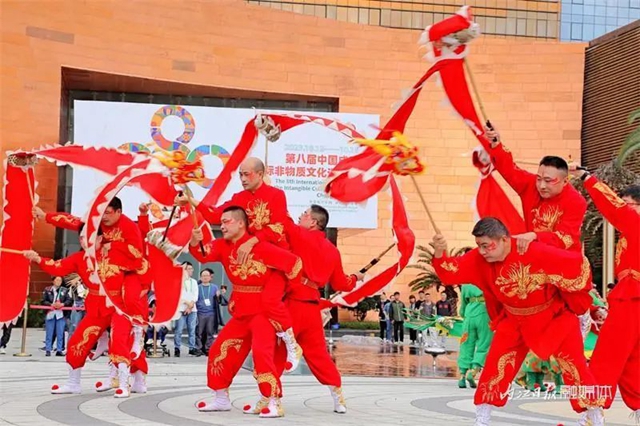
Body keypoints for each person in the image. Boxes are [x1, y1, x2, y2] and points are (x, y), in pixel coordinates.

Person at [431, 218, 603, 426]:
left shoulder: (534, 251)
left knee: (575, 367)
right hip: (514, 319)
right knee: (495, 366)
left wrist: (584, 308)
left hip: (553, 317)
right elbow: (451, 273)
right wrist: (440, 253)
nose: (482, 251)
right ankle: (482, 418)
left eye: (486, 245)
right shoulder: (479, 259)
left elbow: (577, 264)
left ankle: (594, 416)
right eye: (479, 246)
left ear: (504, 239)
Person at [179, 157, 300, 371]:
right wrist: (192, 200)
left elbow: (280, 226)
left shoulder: (276, 195)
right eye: (241, 174)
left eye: (247, 174)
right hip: (250, 255)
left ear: (260, 174)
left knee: (270, 299)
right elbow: (217, 214)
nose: (243, 179)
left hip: (272, 255)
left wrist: (253, 240)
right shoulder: (239, 198)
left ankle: (290, 342)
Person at [189, 206, 304, 417]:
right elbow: (204, 255)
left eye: (226, 222)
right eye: (221, 222)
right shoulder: (222, 246)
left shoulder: (260, 247)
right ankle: (221, 399)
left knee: (262, 355)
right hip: (241, 311)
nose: (222, 226)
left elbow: (293, 263)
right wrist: (195, 241)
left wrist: (282, 293)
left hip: (263, 312)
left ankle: (274, 402)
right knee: (219, 350)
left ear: (241, 223)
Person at [248, 204, 362, 415]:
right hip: (312, 310)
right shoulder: (333, 251)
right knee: (319, 355)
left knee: (275, 353)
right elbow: (341, 284)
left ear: (314, 222)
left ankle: (271, 399)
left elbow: (283, 219)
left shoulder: (300, 235)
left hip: (292, 305)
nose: (301, 216)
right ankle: (338, 399)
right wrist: (355, 278)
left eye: (305, 214)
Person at [574, 169, 640, 420]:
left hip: (632, 298)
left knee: (607, 355)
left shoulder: (636, 224)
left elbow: (613, 208)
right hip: (631, 298)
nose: (624, 208)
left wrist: (587, 179)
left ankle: (593, 411)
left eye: (629, 204)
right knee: (633, 359)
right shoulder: (631, 232)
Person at [457, 284, 493, 389]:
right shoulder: (486, 277)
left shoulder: (465, 282)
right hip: (484, 312)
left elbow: (463, 303)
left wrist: (464, 314)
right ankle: (473, 372)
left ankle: (462, 376)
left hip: (469, 313)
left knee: (466, 344)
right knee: (484, 344)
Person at [42, 276, 72, 356]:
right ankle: (48, 349)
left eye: (60, 280)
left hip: (60, 314)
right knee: (49, 332)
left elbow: (69, 300)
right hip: (50, 313)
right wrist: (51, 304)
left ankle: (59, 349)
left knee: (60, 332)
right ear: (53, 281)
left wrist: (63, 304)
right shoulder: (47, 289)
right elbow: (43, 301)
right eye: (57, 280)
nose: (59, 281)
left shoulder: (65, 290)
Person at [174, 261, 199, 357]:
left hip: (192, 309)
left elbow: (196, 295)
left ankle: (191, 348)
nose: (191, 270)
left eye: (191, 269)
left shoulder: (194, 282)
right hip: (180, 308)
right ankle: (177, 348)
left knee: (192, 329)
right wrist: (187, 303)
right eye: (188, 269)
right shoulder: (177, 281)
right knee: (179, 329)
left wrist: (190, 305)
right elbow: (178, 295)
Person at [194, 268, 218, 357]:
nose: (205, 277)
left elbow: (218, 300)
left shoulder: (214, 287)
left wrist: (219, 295)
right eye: (203, 276)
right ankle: (199, 348)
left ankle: (208, 348)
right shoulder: (197, 287)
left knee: (210, 332)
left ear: (210, 277)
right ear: (200, 277)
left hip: (211, 313)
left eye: (207, 276)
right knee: (199, 332)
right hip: (200, 312)